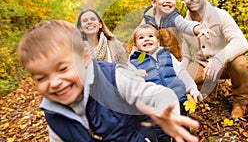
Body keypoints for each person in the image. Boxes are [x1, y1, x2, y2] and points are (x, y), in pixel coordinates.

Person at [17, 20, 200, 142]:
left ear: (85, 58)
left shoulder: (113, 78)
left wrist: (168, 113)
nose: (55, 82)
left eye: (63, 68)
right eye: (41, 78)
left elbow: (158, 94)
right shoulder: (53, 114)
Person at [181, 0, 248, 119]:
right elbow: (185, 55)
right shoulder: (184, 25)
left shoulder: (221, 15)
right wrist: (180, 75)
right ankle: (209, 89)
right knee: (186, 75)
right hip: (203, 66)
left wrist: (219, 58)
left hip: (226, 63)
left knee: (241, 64)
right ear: (184, 1)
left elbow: (241, 43)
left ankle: (240, 103)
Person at [129, 24, 202, 141]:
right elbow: (129, 84)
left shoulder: (167, 55)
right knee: (161, 133)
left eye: (151, 36)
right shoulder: (134, 62)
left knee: (182, 129)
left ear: (158, 42)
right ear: (136, 45)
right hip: (156, 107)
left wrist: (193, 88)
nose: (146, 39)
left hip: (178, 100)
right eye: (141, 38)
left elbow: (181, 73)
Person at [141, 0, 205, 62]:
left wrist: (197, 28)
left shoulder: (174, 17)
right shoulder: (148, 19)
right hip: (153, 58)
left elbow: (185, 25)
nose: (168, 1)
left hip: (174, 59)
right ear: (154, 2)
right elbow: (139, 34)